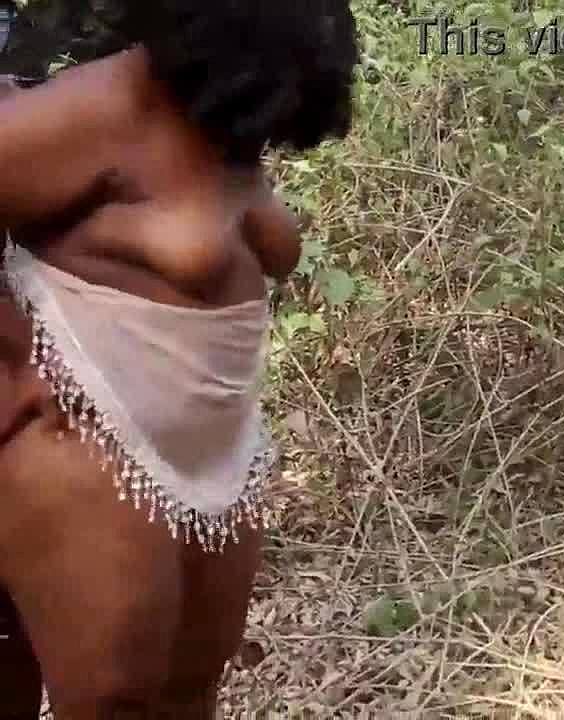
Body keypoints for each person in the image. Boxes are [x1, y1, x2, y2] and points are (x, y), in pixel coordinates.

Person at [0, 0, 358, 717]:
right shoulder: (102, 108)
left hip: (215, 457)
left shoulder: (223, 121)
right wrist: (12, 353)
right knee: (114, 703)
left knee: (190, 692)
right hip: (86, 440)